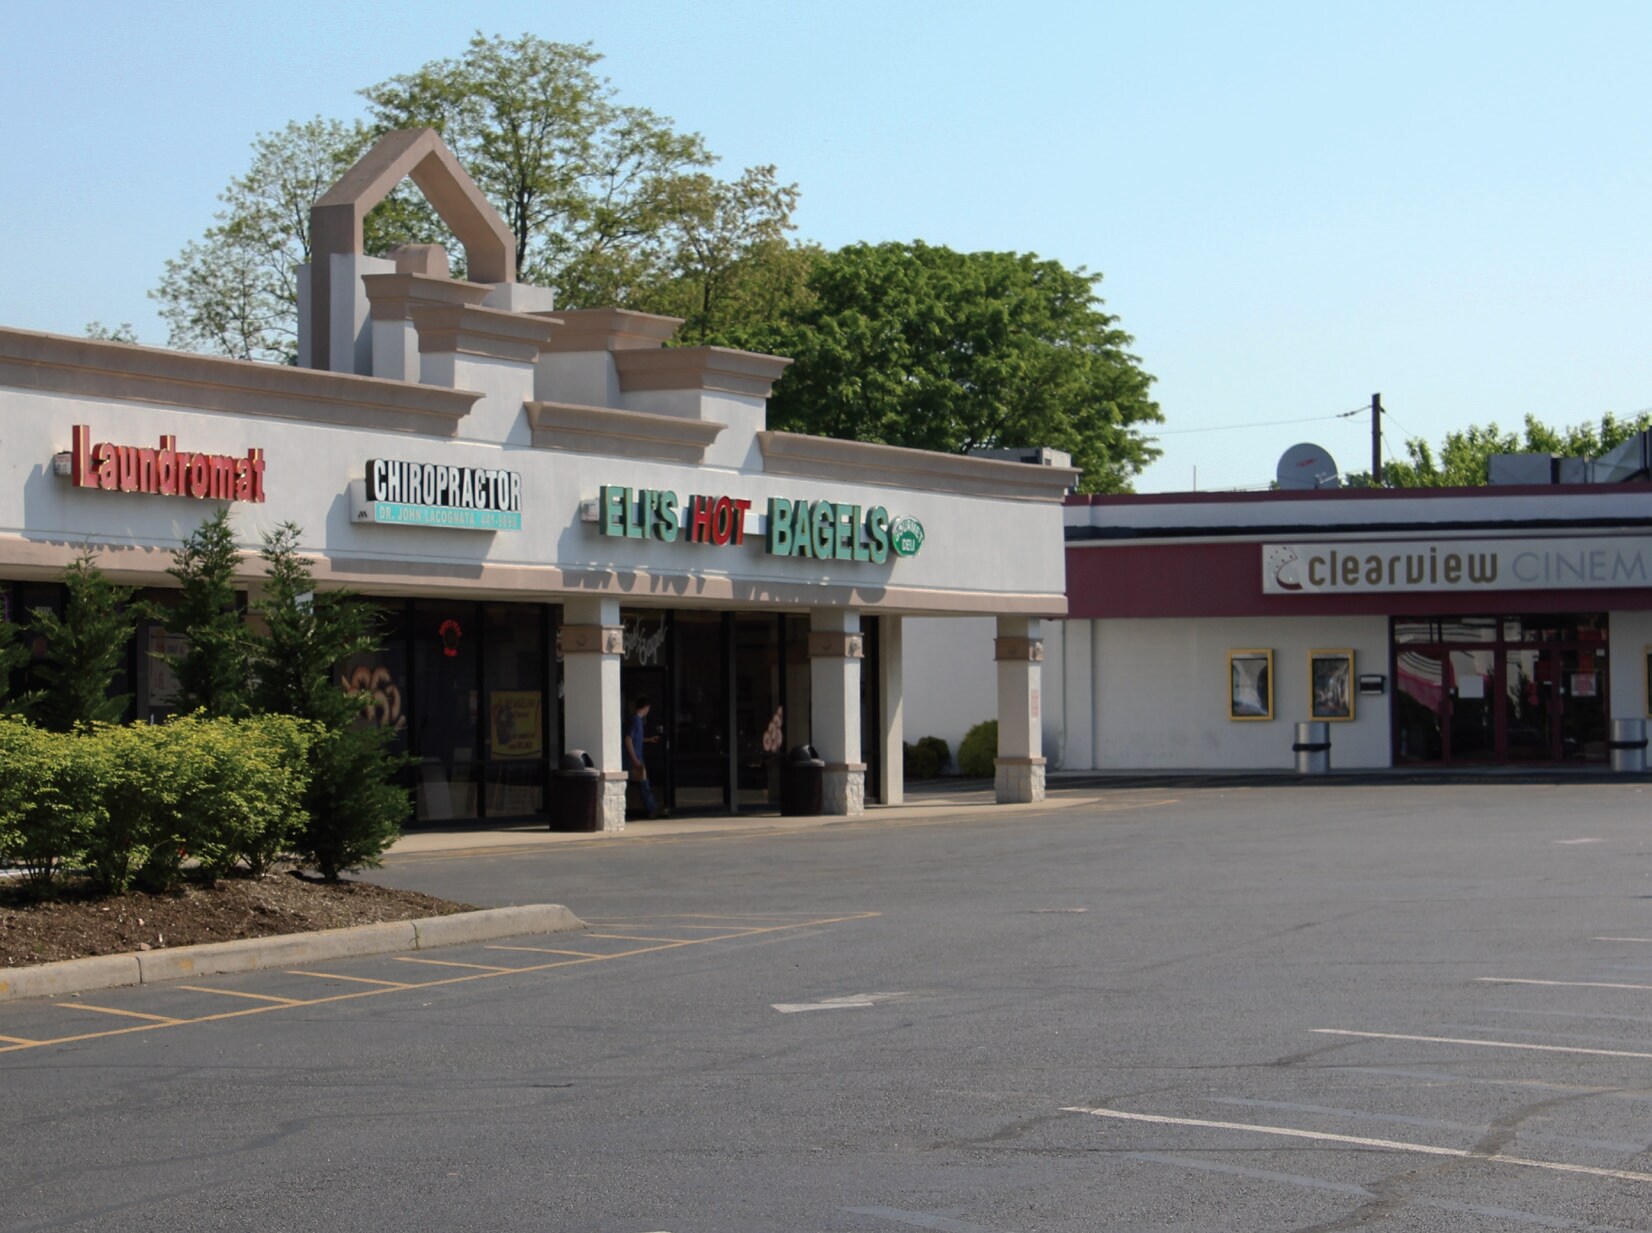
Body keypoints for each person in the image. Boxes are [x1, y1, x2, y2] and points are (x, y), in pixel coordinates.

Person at [623, 695, 660, 818]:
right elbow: (628, 739)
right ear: (646, 707)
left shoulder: (637, 720)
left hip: (635, 758)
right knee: (643, 784)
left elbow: (635, 739)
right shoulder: (636, 720)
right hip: (634, 759)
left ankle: (651, 808)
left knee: (641, 784)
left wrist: (648, 739)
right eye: (648, 708)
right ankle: (652, 808)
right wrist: (634, 759)